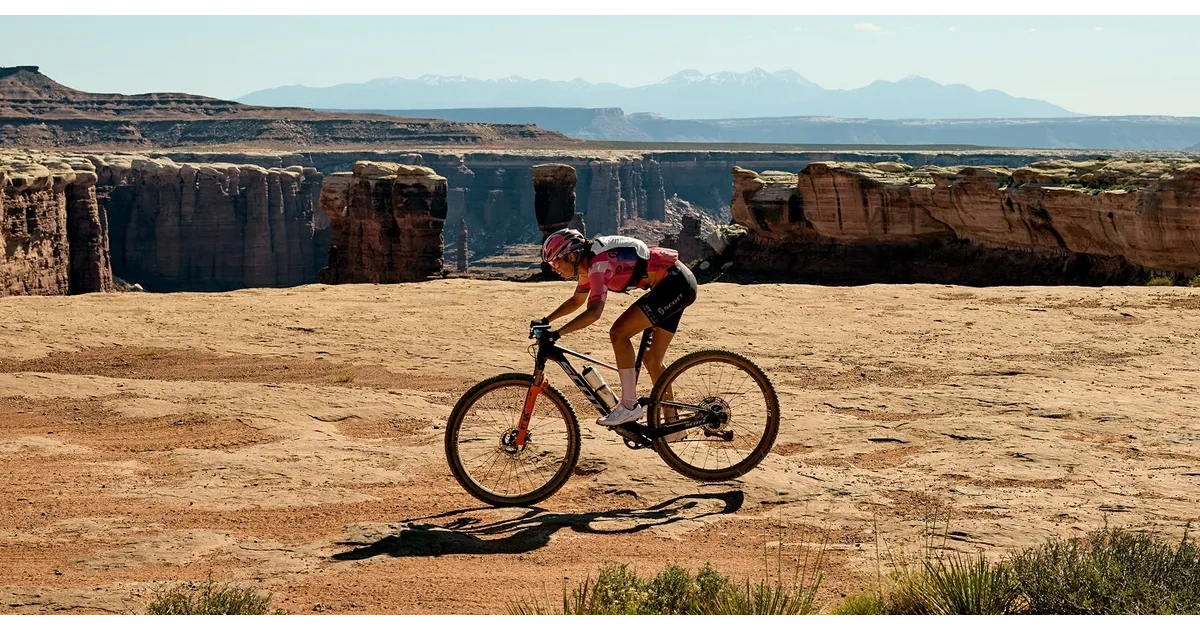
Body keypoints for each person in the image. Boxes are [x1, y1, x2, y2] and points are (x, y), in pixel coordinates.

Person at [536, 227, 698, 427]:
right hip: (678, 281)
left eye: (555, 262)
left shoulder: (598, 265)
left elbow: (594, 312)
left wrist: (558, 333)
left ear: (571, 256)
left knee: (619, 333)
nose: (554, 269)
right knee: (652, 359)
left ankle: (629, 406)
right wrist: (546, 320)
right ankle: (672, 424)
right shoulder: (587, 266)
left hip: (674, 283)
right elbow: (576, 301)